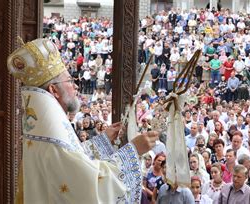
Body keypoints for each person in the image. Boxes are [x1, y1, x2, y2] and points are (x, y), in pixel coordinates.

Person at [9, 38, 158, 203]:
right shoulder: (51, 134)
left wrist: (102, 140)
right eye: (70, 81)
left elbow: (73, 162)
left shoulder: (46, 129)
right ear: (54, 90)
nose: (76, 86)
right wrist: (133, 151)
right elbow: (88, 185)